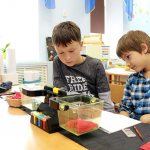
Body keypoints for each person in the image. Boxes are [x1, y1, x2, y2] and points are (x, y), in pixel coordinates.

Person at [51, 21, 114, 112]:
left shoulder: (95, 65)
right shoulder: (57, 62)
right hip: (70, 114)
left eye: (71, 51)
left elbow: (106, 100)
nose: (67, 58)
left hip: (93, 114)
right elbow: (60, 94)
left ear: (81, 45)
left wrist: (109, 119)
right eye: (61, 53)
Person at [116, 30, 150, 123]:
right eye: (124, 60)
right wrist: (123, 114)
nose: (127, 64)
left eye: (128, 57)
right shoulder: (132, 79)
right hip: (135, 128)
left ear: (143, 48)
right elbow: (126, 106)